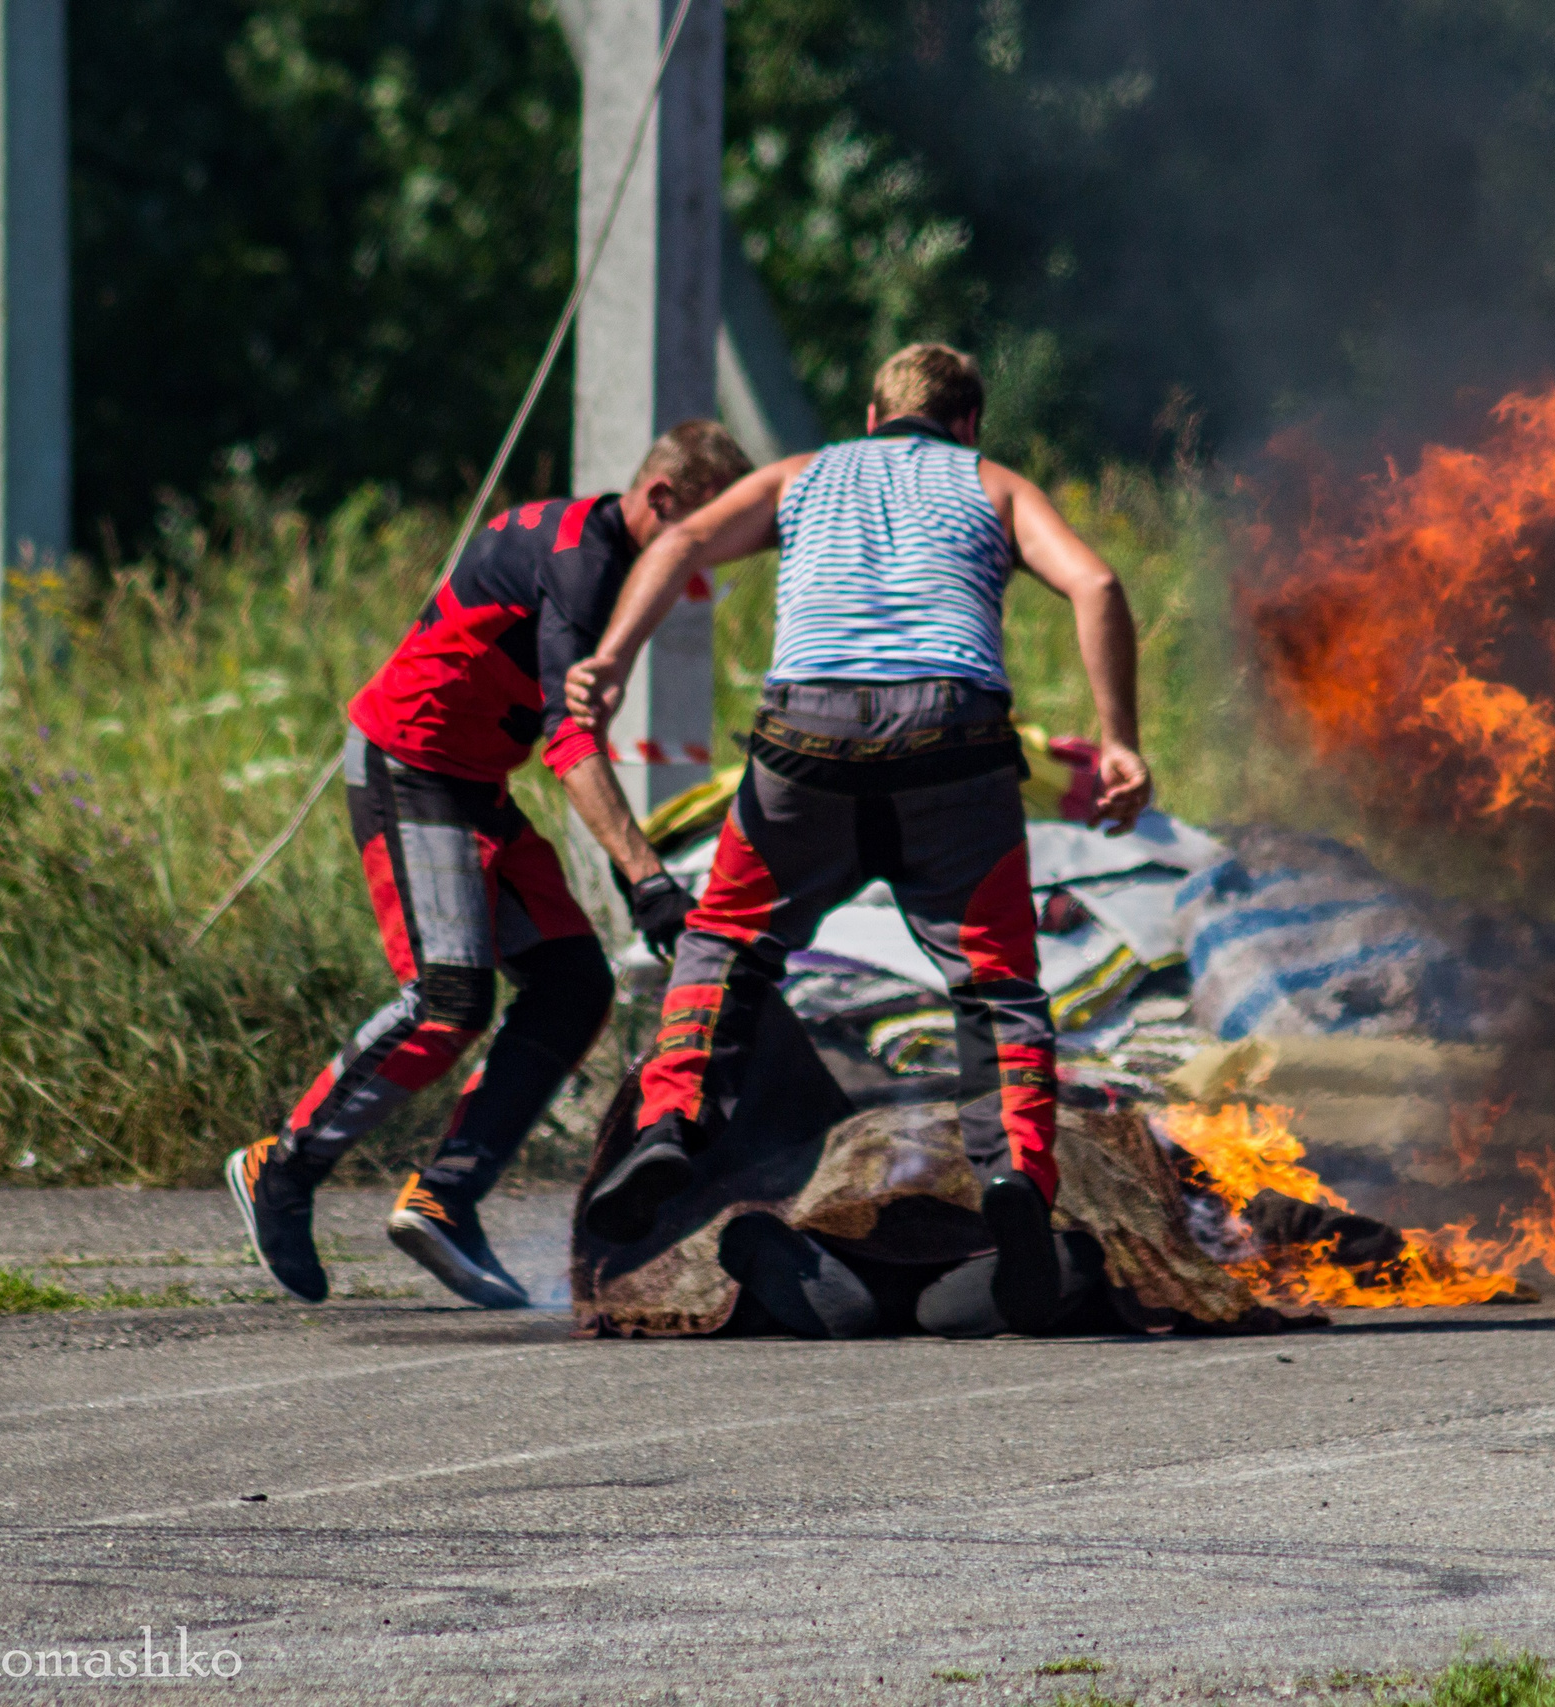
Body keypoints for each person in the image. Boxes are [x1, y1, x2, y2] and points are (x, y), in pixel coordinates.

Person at [563, 343, 1152, 1332]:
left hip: (808, 739)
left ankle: (673, 1119)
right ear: (967, 424)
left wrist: (611, 661)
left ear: (873, 418)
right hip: (952, 743)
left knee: (726, 938)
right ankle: (1012, 1173)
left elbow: (677, 544)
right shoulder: (991, 481)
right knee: (994, 975)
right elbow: (1094, 585)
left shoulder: (803, 474)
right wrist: (1121, 741)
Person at [226, 422, 755, 1308]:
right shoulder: (583, 564)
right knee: (449, 997)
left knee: (575, 984)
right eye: (703, 532)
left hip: (471, 782)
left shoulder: (624, 565)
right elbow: (569, 736)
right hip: (411, 765)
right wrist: (646, 875)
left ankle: (446, 1197)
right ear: (662, 500)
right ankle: (279, 1166)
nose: (708, 562)